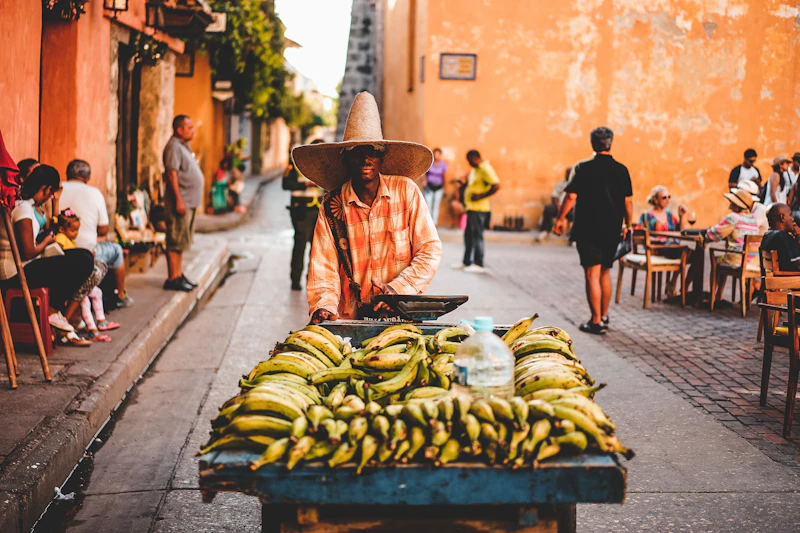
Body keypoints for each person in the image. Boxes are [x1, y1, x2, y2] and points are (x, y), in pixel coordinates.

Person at [292, 91, 442, 323]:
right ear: (345, 159)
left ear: (382, 157)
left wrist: (398, 288)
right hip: (351, 318)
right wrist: (324, 305)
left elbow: (430, 249)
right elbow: (324, 264)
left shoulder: (406, 191)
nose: (365, 159)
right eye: (356, 152)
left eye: (373, 151)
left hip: (402, 313)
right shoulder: (333, 205)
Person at [0, 165, 95, 345]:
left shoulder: (25, 206)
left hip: (25, 266)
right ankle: (53, 310)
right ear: (45, 189)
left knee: (84, 256)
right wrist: (46, 243)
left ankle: (53, 310)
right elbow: (28, 251)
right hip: (15, 273)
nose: (50, 197)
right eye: (50, 193)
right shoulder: (23, 209)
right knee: (82, 260)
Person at [554, 126, 633, 335]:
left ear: (592, 144)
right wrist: (629, 224)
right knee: (605, 272)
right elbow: (628, 202)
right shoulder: (621, 169)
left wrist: (560, 219)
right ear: (610, 143)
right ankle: (604, 316)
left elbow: (570, 196)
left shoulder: (582, 167)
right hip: (612, 228)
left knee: (592, 274)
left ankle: (595, 321)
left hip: (588, 228)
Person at [60, 159, 134, 308]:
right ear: (87, 178)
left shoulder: (58, 188)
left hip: (60, 249)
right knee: (117, 250)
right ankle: (120, 295)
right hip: (86, 252)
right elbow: (104, 229)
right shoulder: (95, 193)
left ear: (67, 174)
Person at [55, 210, 119, 342]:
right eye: (73, 231)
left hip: (78, 278)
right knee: (84, 300)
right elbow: (60, 255)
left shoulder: (69, 240)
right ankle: (92, 330)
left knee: (97, 292)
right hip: (71, 280)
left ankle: (101, 321)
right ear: (62, 229)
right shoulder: (61, 239)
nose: (76, 234)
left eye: (77, 230)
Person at [162, 115, 204, 291]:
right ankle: (172, 278)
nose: (193, 130)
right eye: (190, 127)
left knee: (181, 241)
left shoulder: (183, 146)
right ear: (180, 130)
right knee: (175, 240)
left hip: (188, 201)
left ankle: (178, 275)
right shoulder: (173, 147)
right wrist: (179, 199)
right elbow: (172, 174)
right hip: (181, 202)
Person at [283, 140, 325, 291]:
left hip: (318, 211)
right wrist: (305, 185)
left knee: (316, 248)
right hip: (300, 211)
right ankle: (295, 280)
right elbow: (286, 184)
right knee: (300, 244)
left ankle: (311, 279)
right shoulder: (296, 164)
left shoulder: (325, 167)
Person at [706, 187, 759, 302]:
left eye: (732, 202)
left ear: (737, 205)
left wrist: (707, 232)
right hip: (753, 260)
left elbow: (714, 234)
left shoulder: (733, 217)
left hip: (738, 259)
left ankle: (713, 297)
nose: (730, 205)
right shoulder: (753, 219)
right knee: (723, 258)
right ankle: (718, 296)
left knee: (717, 260)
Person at [451, 149, 500, 273]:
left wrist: (481, 196)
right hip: (471, 208)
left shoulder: (485, 169)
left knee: (477, 236)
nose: (469, 164)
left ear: (475, 158)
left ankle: (479, 263)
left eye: (469, 161)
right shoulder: (476, 169)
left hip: (479, 209)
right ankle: (466, 261)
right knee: (468, 236)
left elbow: (496, 185)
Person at [761, 203, 800, 272]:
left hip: (775, 278)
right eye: (790, 215)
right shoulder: (783, 237)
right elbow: (797, 265)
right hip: (788, 279)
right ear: (782, 217)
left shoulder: (767, 235)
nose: (792, 219)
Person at [537, 167, 573, 242]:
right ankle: (545, 230)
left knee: (578, 214)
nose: (568, 175)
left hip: (570, 208)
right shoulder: (560, 184)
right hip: (559, 206)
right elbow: (554, 197)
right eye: (567, 173)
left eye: (569, 173)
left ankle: (573, 236)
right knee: (548, 209)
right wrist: (559, 208)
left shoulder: (575, 184)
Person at [423, 148, 447, 225]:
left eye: (438, 154)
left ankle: (434, 223)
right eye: (435, 154)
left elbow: (444, 176)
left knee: (436, 205)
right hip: (429, 187)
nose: (437, 156)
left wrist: (445, 188)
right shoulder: (430, 163)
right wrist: (424, 182)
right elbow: (425, 173)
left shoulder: (443, 164)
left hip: (439, 187)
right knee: (428, 203)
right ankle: (428, 222)